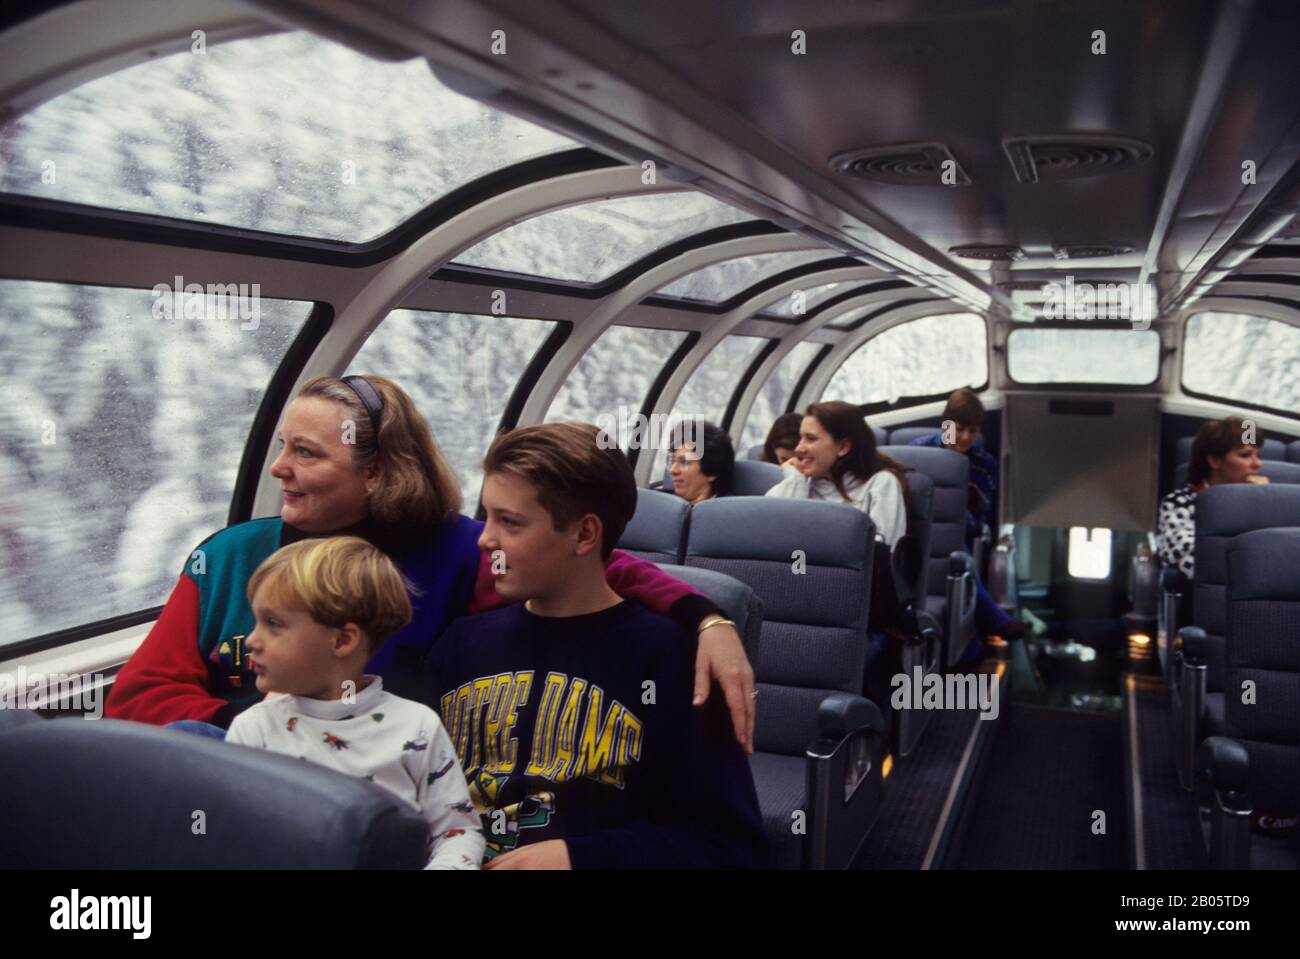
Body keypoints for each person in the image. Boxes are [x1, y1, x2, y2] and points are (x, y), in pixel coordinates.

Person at [106, 375, 757, 749]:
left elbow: (592, 570)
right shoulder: (226, 559)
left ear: (377, 472)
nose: (279, 468)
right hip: (230, 776)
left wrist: (708, 619)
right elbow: (137, 696)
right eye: (282, 447)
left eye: (306, 453)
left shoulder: (455, 552)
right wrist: (256, 731)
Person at [428, 423, 765, 869]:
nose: (485, 539)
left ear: (585, 535)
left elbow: (729, 845)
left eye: (509, 522)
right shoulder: (461, 645)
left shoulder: (669, 659)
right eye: (487, 516)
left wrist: (580, 858)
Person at [224, 536, 484, 869]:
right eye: (257, 621)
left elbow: (458, 832)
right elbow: (233, 837)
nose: (251, 640)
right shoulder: (254, 730)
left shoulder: (416, 727)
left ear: (343, 640)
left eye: (273, 624)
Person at [765, 400, 908, 548]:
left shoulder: (881, 484)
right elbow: (772, 541)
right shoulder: (799, 481)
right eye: (801, 438)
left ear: (843, 447)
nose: (799, 449)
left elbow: (880, 555)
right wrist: (796, 480)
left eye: (811, 439)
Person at [1157, 416, 1265, 579]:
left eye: (1258, 455)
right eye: (1245, 455)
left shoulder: (1265, 502)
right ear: (1215, 461)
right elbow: (1189, 561)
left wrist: (1261, 505)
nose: (1258, 464)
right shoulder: (1179, 503)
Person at [668, 420, 735, 504]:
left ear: (711, 471)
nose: (673, 470)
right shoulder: (663, 503)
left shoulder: (730, 513)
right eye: (673, 461)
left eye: (684, 462)